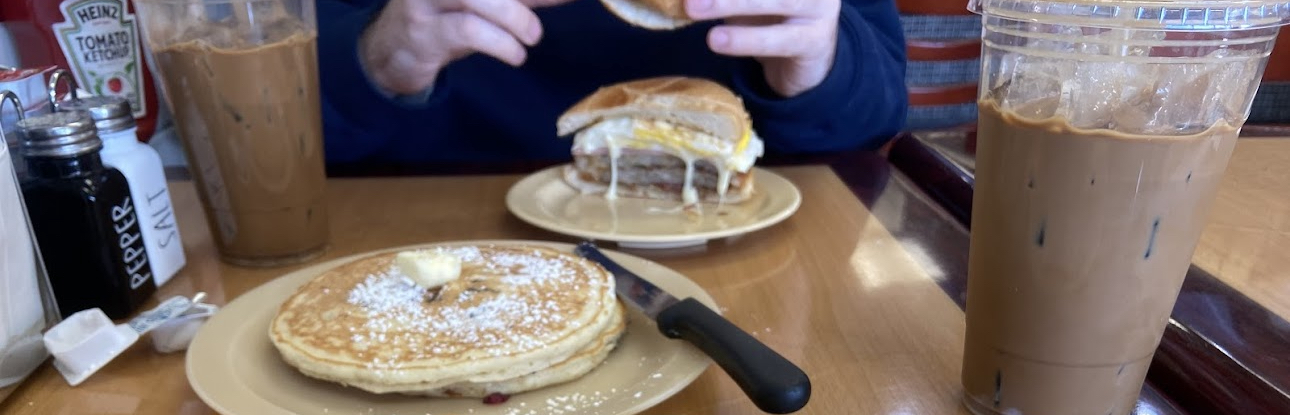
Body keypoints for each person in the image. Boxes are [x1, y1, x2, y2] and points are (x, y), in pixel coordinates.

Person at [317, 0, 909, 167]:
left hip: (739, 250)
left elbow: (873, 122)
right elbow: (257, 134)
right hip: (416, 232)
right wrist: (378, 58)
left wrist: (815, 65)